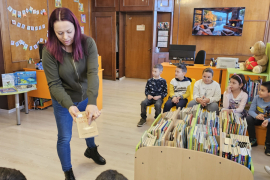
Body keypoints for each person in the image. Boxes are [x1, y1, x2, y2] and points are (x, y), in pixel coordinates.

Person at [43, 8, 106, 180]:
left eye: (69, 31)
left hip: (85, 97)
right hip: (63, 101)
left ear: (76, 28)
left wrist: (92, 101)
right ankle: (67, 170)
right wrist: (68, 105)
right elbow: (54, 84)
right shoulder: (49, 51)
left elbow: (93, 72)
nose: (65, 37)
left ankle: (91, 150)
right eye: (59, 33)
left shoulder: (88, 43)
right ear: (53, 32)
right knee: (64, 137)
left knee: (89, 127)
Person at [247, 81, 270, 155]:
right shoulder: (257, 98)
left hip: (268, 120)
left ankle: (268, 145)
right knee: (248, 118)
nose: (259, 92)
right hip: (258, 118)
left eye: (262, 90)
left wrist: (267, 120)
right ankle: (253, 139)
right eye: (260, 89)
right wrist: (256, 116)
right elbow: (251, 111)